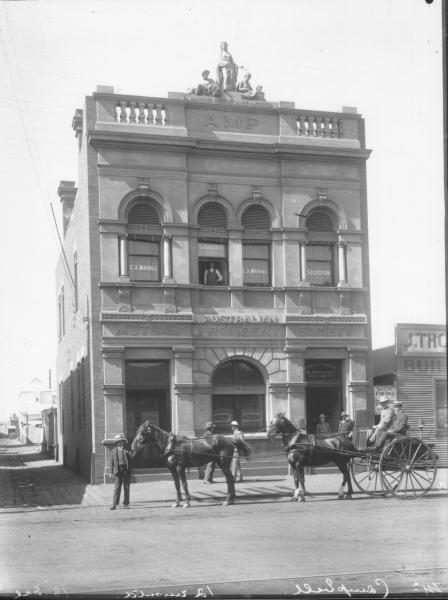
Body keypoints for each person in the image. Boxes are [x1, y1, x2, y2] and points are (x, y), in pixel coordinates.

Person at [110, 434, 132, 510]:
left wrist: (130, 469)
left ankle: (126, 504)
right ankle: (114, 504)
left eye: (121, 441)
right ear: (116, 443)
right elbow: (111, 463)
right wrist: (111, 472)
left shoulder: (127, 450)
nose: (120, 443)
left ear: (123, 442)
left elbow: (131, 460)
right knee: (117, 488)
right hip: (118, 470)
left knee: (126, 487)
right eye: (118, 442)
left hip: (126, 469)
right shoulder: (113, 451)